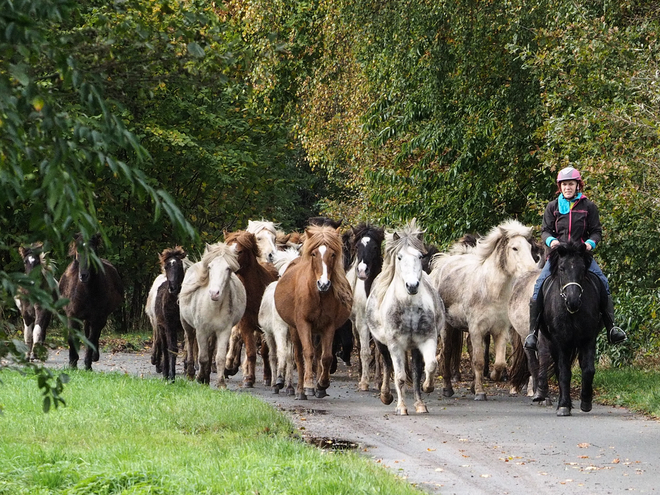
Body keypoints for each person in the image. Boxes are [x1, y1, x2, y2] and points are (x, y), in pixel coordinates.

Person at [524, 166, 627, 351]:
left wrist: (590, 243)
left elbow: (596, 231)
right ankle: (532, 333)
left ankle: (612, 328)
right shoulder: (553, 207)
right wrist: (552, 241)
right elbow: (545, 230)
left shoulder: (588, 206)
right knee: (539, 286)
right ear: (560, 187)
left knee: (603, 282)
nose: (567, 187)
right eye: (564, 184)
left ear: (577, 185)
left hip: (581, 255)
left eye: (571, 184)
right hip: (559, 256)